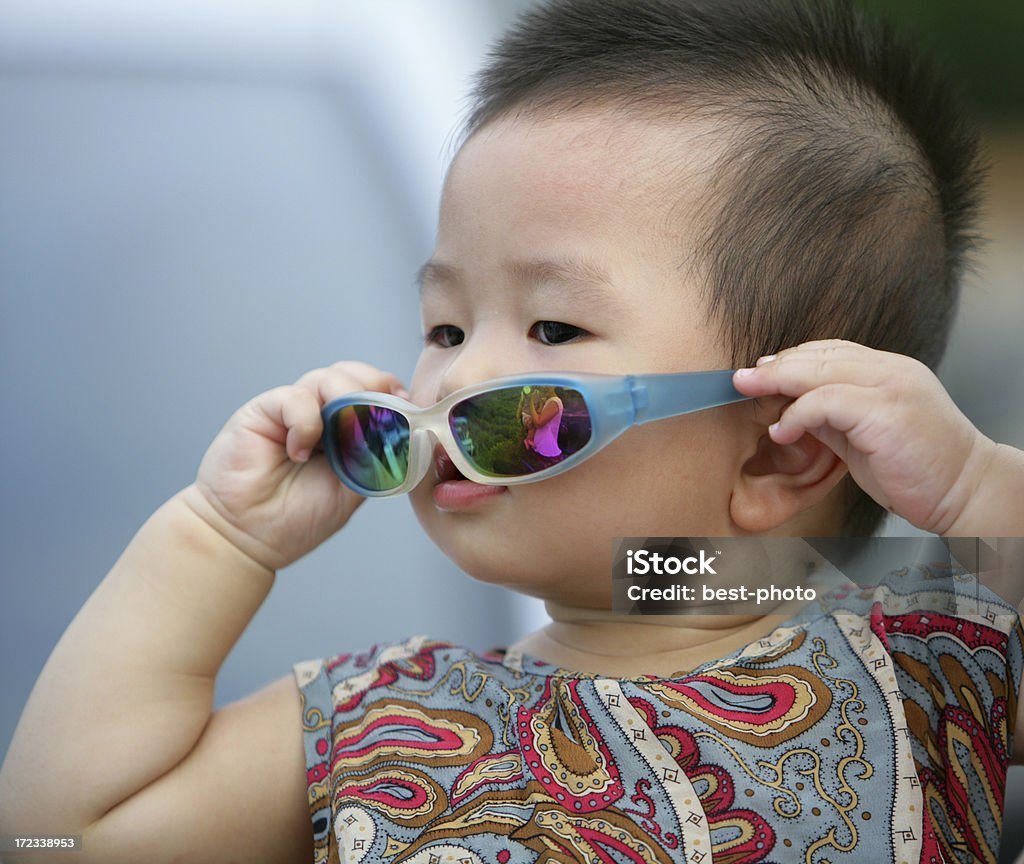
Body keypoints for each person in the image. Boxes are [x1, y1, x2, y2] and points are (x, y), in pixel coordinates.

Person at [1, 1, 1022, 862]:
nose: (458, 374)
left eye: (552, 326)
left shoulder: (926, 658)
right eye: (443, 325)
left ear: (778, 446)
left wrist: (974, 489)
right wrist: (218, 537)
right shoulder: (388, 719)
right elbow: (68, 836)